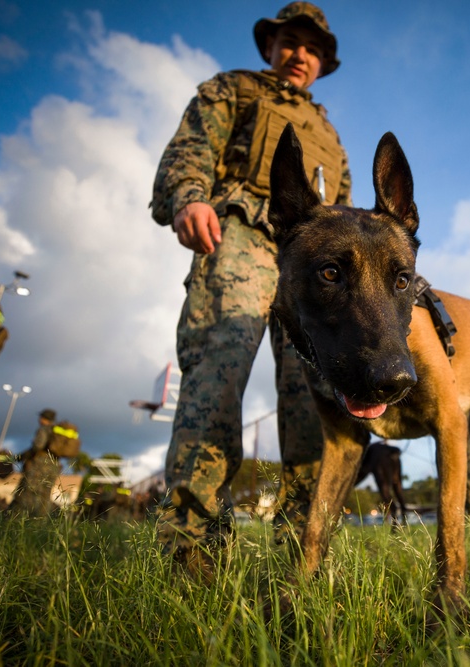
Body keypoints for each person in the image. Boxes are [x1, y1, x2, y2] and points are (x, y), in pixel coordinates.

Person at [150, 2, 352, 562]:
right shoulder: (233, 90)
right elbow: (192, 149)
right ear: (271, 46)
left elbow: (347, 214)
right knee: (217, 373)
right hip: (238, 236)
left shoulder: (330, 137)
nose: (300, 55)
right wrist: (189, 199)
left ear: (322, 63)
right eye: (291, 41)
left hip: (312, 267)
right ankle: (191, 549)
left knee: (316, 392)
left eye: (312, 49)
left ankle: (306, 554)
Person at [9, 409, 61, 517]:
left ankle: (19, 519)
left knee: (27, 493)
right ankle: (40, 522)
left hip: (39, 467)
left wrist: (20, 457)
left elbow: (38, 446)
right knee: (45, 496)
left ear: (44, 418)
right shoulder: (58, 432)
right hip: (53, 468)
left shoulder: (44, 430)